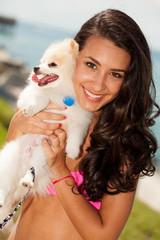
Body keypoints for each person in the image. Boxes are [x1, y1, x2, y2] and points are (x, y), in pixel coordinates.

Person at [7, 9, 159, 240]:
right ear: (74, 59)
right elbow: (10, 196)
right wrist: (15, 132)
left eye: (115, 74)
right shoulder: (44, 114)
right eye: (91, 65)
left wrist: (59, 170)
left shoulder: (123, 150)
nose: (98, 84)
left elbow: (103, 236)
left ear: (128, 81)